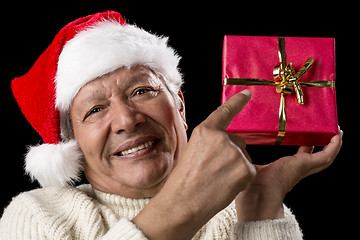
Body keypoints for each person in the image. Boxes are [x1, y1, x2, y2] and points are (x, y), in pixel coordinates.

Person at [0, 11, 342, 239]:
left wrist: (261, 204)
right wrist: (185, 204)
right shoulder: (38, 215)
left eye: (142, 90)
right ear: (71, 144)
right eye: (95, 110)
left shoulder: (241, 212)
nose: (126, 119)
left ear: (179, 104)